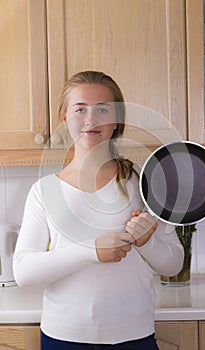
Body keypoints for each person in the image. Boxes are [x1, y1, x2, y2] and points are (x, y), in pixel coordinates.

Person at [13, 71, 184, 350]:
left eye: (103, 109)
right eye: (80, 109)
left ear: (117, 121)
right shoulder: (44, 191)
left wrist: (147, 241)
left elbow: (174, 263)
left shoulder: (143, 183)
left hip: (133, 336)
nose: (91, 120)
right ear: (65, 118)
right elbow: (23, 272)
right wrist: (91, 251)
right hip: (63, 337)